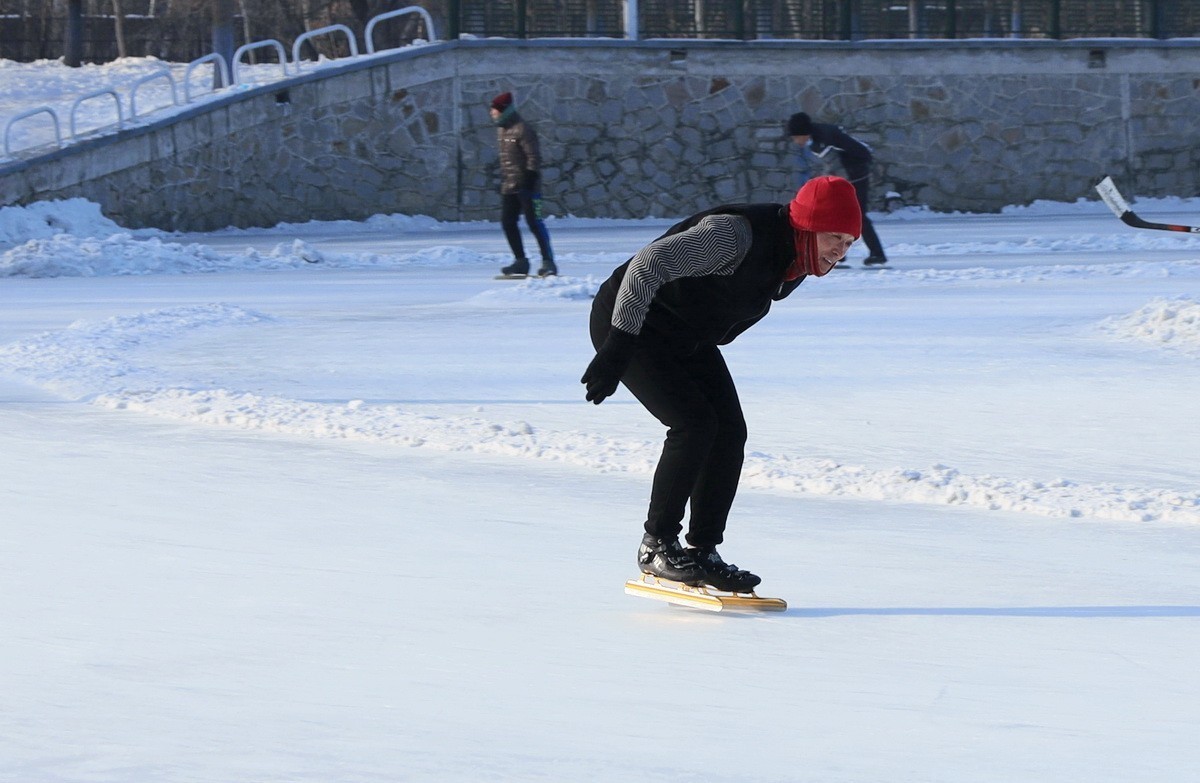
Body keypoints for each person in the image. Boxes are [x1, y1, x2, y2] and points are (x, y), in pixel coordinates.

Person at [580, 176, 862, 592]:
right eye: (834, 237)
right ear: (806, 225)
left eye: (850, 242)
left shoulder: (798, 259)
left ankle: (702, 552)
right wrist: (618, 344)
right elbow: (647, 266)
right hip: (631, 320)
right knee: (693, 426)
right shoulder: (733, 237)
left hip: (684, 333)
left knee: (729, 431)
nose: (841, 251)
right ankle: (656, 545)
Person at [787, 111, 887, 266]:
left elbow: (834, 165)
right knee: (838, 216)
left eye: (795, 137)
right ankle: (843, 254)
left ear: (803, 132)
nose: (795, 141)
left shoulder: (820, 141)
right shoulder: (819, 134)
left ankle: (876, 254)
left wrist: (829, 186)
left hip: (855, 174)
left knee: (857, 216)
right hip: (854, 172)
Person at [489, 91, 556, 277]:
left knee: (534, 223)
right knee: (507, 222)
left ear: (504, 111)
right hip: (510, 186)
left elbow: (533, 157)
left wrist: (529, 179)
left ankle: (548, 261)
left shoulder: (522, 129)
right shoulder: (503, 130)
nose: (492, 114)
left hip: (527, 185)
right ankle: (520, 261)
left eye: (494, 111)